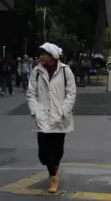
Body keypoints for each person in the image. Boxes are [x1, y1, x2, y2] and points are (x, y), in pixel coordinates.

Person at [26, 42, 76, 194]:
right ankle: (53, 169)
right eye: (40, 54)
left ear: (53, 56)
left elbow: (71, 93)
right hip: (42, 117)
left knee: (57, 150)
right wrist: (35, 111)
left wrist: (63, 111)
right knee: (43, 153)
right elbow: (31, 93)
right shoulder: (36, 71)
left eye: (44, 54)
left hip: (60, 118)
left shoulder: (66, 71)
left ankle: (53, 175)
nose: (41, 57)